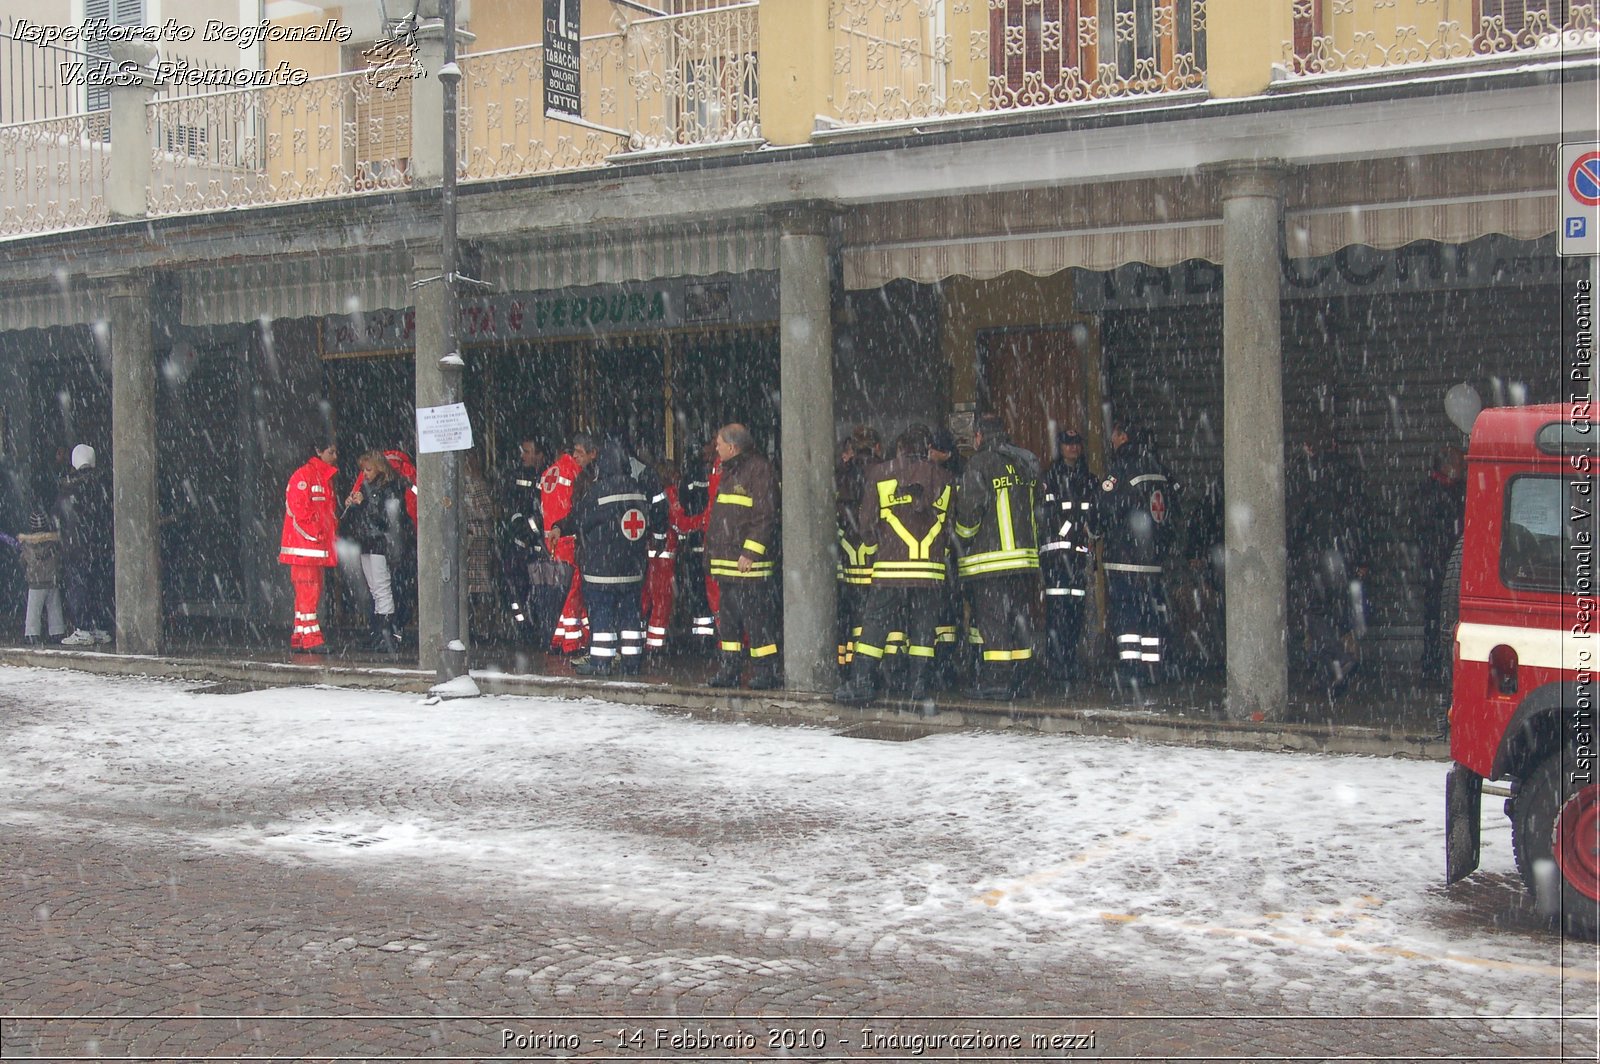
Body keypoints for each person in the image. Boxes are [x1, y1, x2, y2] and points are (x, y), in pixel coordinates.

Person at [834, 425, 953, 709]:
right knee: (923, 627)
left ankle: (861, 682)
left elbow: (866, 524)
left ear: (899, 449)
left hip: (890, 567)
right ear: (926, 449)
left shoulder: (880, 475)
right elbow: (951, 525)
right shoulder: (945, 479)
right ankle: (919, 687)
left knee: (875, 624)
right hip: (930, 570)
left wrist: (878, 548)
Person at [550, 438, 662, 676]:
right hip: (632, 570)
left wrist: (559, 527)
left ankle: (601, 662)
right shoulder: (638, 490)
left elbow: (579, 519)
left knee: (602, 618)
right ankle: (632, 663)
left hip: (602, 571)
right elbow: (654, 519)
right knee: (631, 618)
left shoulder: (598, 492)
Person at [953, 414, 1040, 700]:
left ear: (979, 436)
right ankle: (1023, 679)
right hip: (1025, 562)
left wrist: (961, 538)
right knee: (1019, 619)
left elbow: (969, 513)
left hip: (991, 563)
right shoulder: (1024, 462)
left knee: (994, 622)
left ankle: (997, 681)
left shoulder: (979, 464)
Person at [1286, 426, 1370, 699]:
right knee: (1334, 615)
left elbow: (1300, 517)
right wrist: (1360, 556)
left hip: (1319, 554)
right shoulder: (1347, 474)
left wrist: (1292, 546)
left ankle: (1339, 659)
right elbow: (1360, 517)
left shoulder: (1311, 476)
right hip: (1343, 555)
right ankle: (1328, 677)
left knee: (1314, 616)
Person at [1100, 418, 1180, 692]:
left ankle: (1131, 671)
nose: (1111, 440)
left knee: (1127, 616)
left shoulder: (1120, 470)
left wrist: (1098, 532)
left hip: (1124, 561)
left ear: (1123, 437)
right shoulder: (1159, 470)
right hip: (1152, 563)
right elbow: (1172, 514)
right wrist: (1159, 548)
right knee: (1150, 616)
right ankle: (1153, 669)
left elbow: (1104, 511)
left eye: (1114, 435)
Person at [705, 423, 781, 690]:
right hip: (727, 564)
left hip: (749, 566)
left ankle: (765, 671)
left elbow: (764, 515)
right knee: (729, 622)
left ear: (733, 447)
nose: (716, 448)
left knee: (757, 619)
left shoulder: (758, 471)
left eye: (719, 444)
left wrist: (750, 552)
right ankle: (730, 668)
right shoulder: (729, 472)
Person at [1037, 429, 1099, 689]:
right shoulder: (1049, 477)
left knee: (1075, 611)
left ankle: (1071, 659)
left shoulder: (1088, 478)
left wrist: (1090, 533)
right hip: (1056, 557)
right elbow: (1047, 514)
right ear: (1060, 447)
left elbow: (1096, 511)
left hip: (1078, 557)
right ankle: (1056, 662)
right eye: (1068, 444)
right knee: (1058, 611)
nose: (1073, 448)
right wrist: (1073, 532)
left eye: (1076, 444)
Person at [342, 450, 413, 655]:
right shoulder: (368, 487)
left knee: (382, 589)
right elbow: (364, 518)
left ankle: (386, 634)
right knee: (375, 589)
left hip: (381, 543)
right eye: (363, 469)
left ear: (380, 468)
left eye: (369, 469)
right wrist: (353, 506)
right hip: (367, 541)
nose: (365, 473)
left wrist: (364, 503)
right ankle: (378, 632)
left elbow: (386, 519)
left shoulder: (390, 488)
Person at [279, 439, 339, 654]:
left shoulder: (321, 478)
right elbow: (299, 510)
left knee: (306, 593)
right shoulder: (304, 476)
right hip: (306, 548)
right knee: (309, 592)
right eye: (331, 452)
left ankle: (301, 635)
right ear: (318, 451)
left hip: (311, 548)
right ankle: (312, 638)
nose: (335, 457)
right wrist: (317, 533)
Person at [540, 433, 598, 655]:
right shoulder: (574, 472)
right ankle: (571, 643)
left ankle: (558, 637)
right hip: (567, 538)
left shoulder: (550, 472)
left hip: (551, 537)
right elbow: (576, 508)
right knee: (572, 592)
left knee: (560, 589)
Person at [1413, 445, 1466, 684]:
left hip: (1454, 566)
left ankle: (1448, 667)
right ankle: (1432, 666)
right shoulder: (1429, 491)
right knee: (1435, 618)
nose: (1462, 468)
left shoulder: (1460, 490)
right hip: (1437, 566)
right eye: (1457, 463)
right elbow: (1422, 527)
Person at [56, 444, 113, 646]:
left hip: (77, 549)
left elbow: (65, 519)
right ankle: (99, 627)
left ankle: (83, 628)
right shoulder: (103, 485)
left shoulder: (70, 488)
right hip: (99, 548)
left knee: (78, 588)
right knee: (97, 586)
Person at [835, 427, 879, 676]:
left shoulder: (843, 476)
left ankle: (850, 668)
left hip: (847, 553)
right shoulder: (884, 471)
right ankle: (874, 668)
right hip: (875, 554)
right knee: (873, 616)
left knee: (850, 615)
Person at [500, 436, 549, 639]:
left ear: (540, 455)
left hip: (541, 546)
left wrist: (534, 529)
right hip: (519, 546)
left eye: (528, 452)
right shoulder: (517, 475)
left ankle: (540, 626)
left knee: (540, 589)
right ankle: (523, 628)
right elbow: (511, 504)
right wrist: (519, 526)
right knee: (516, 589)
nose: (523, 456)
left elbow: (545, 511)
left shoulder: (548, 477)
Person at [674, 437, 720, 649]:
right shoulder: (711, 476)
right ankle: (713, 637)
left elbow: (683, 506)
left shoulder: (689, 478)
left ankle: (702, 640)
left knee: (699, 592)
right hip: (707, 540)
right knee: (710, 591)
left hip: (695, 542)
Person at [4, 509, 66, 645]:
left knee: (33, 611)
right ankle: (57, 632)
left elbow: (22, 562)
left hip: (35, 583)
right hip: (52, 581)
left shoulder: (27, 545)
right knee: (54, 609)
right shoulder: (54, 542)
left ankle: (32, 634)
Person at [641, 460, 682, 654]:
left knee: (647, 597)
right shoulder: (669, 494)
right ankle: (655, 645)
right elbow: (679, 520)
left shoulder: (650, 493)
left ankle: (643, 639)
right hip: (664, 553)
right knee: (662, 599)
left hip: (651, 553)